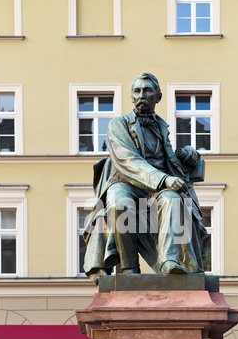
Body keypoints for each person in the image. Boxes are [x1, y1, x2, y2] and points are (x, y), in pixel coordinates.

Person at [83, 73, 206, 283]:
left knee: (173, 199)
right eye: (137, 91)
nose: (142, 95)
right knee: (119, 204)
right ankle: (129, 269)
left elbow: (172, 163)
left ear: (157, 96)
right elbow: (128, 160)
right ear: (132, 97)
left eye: (148, 90)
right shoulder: (118, 124)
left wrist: (190, 155)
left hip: (158, 188)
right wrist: (164, 179)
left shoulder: (162, 128)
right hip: (124, 181)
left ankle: (169, 261)